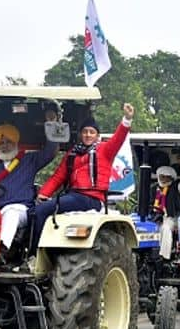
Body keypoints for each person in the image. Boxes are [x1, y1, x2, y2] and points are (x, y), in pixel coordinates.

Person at [32, 103, 136, 251]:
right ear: (81, 134)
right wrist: (43, 194)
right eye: (85, 132)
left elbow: (118, 138)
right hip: (74, 197)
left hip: (91, 198)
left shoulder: (105, 150)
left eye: (91, 132)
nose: (88, 135)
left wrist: (127, 119)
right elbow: (57, 177)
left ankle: (35, 253)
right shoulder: (72, 154)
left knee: (42, 211)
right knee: (34, 211)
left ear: (97, 135)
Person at [0, 110, 58, 261]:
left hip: (21, 209)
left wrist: (52, 124)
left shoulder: (29, 160)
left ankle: (1, 252)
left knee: (11, 213)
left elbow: (50, 152)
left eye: (8, 142)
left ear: (16, 142)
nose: (5, 146)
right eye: (1, 143)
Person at [151, 161, 180, 260]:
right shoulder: (153, 189)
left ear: (171, 178)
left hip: (172, 218)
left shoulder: (176, 188)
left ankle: (163, 257)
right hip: (154, 218)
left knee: (166, 228)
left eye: (167, 177)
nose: (164, 179)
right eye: (162, 176)